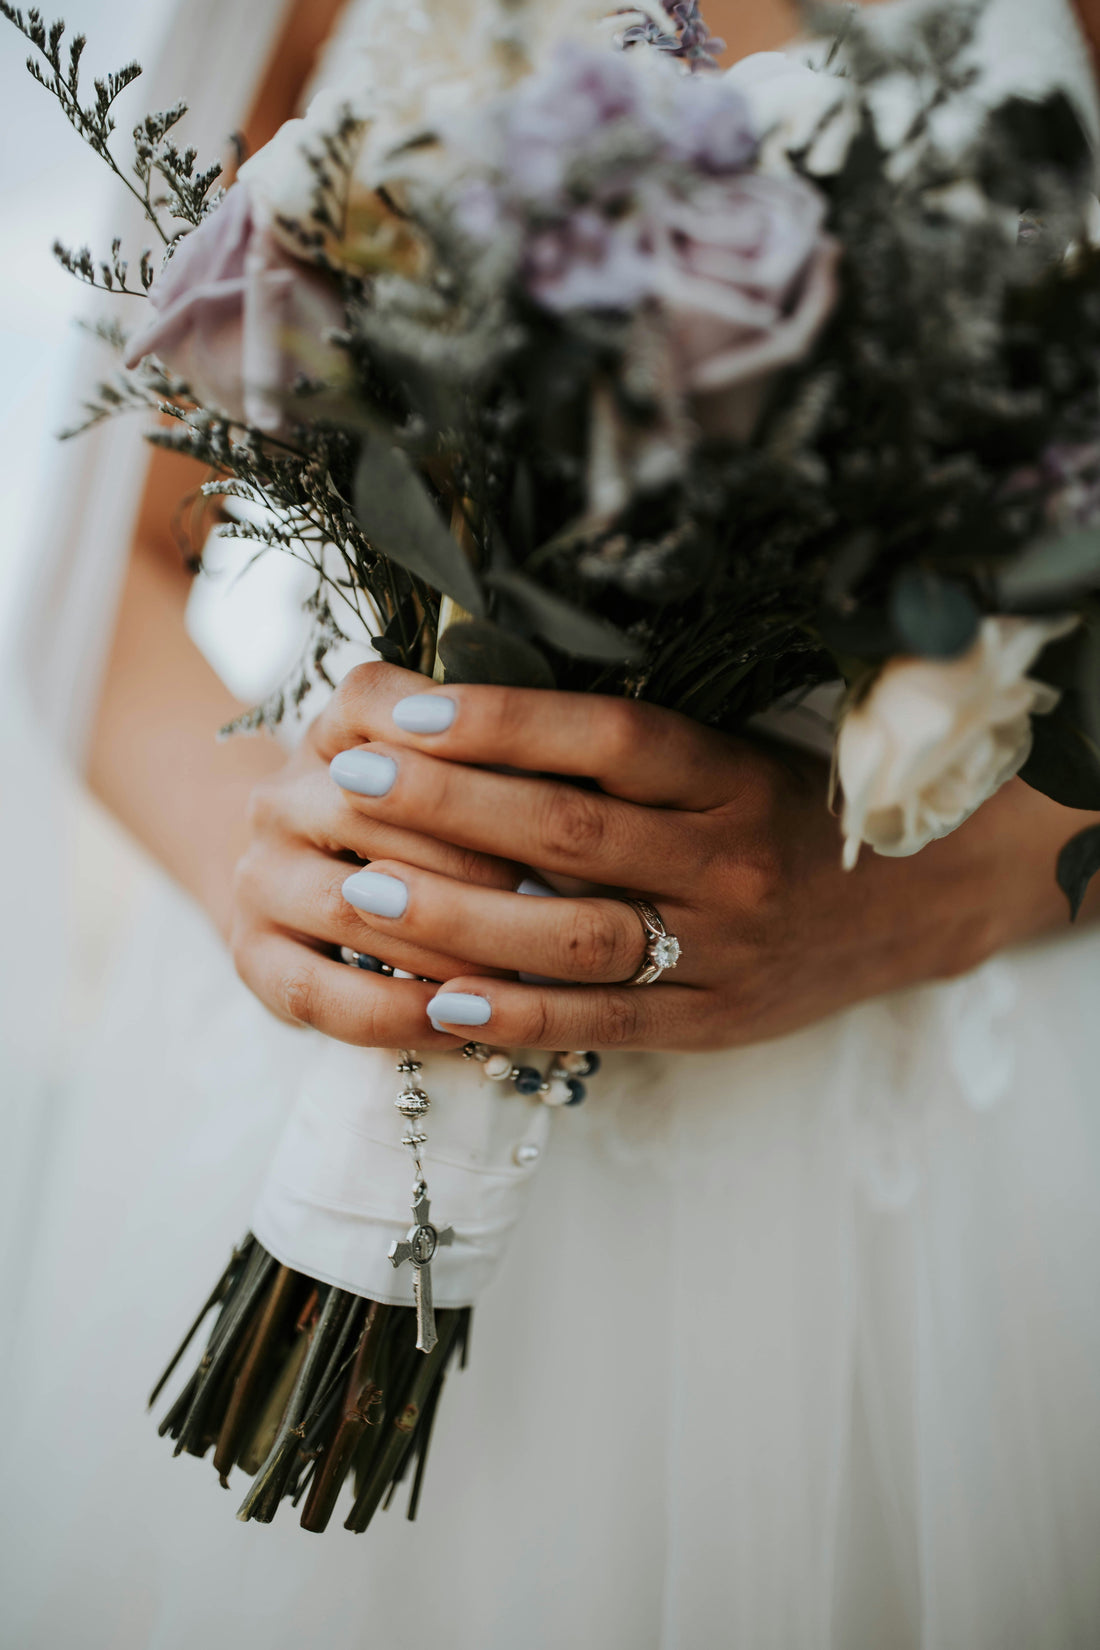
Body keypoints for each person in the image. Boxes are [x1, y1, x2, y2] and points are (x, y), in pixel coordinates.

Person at [3, 1, 1100, 1646]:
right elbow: (99, 570)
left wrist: (933, 892)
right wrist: (287, 875)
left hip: (935, 1123)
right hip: (329, 1049)